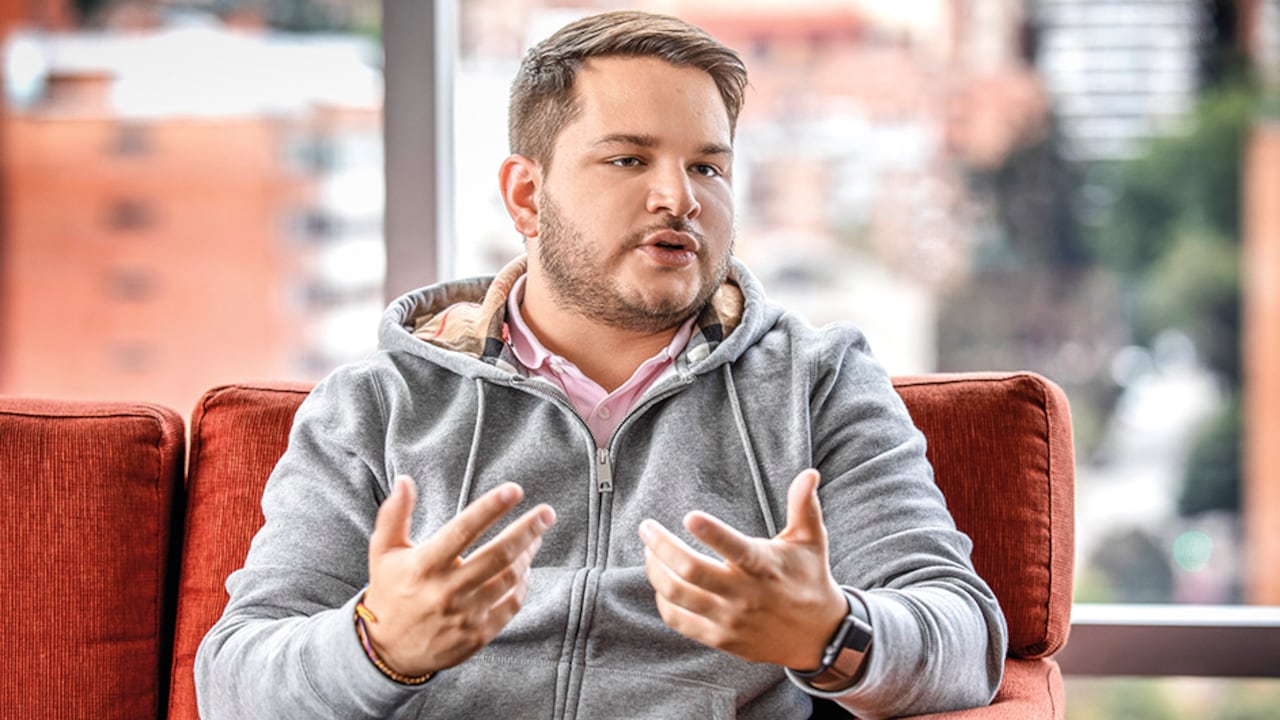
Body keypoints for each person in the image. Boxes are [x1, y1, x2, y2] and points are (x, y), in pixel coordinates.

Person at [195, 10, 1006, 719]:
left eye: (708, 166)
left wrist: (830, 632)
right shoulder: (378, 404)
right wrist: (379, 644)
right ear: (526, 196)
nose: (679, 198)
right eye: (629, 160)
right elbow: (233, 683)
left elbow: (965, 635)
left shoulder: (816, 383)